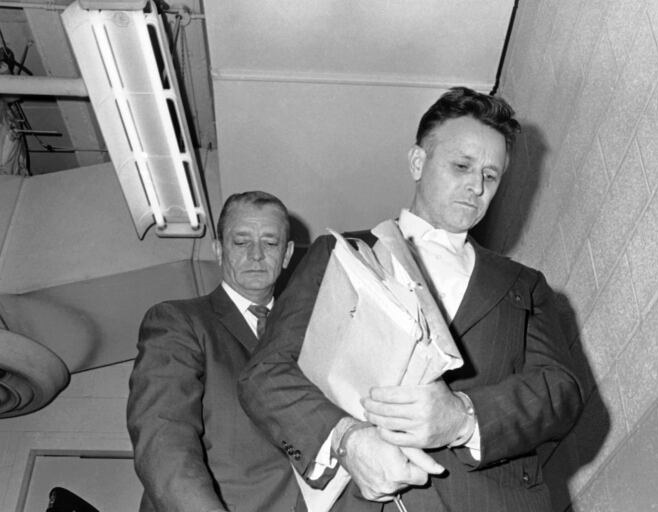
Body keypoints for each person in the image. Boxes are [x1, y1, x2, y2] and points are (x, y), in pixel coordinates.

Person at [238, 87, 584, 511]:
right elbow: (266, 376)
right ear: (418, 162)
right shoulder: (340, 254)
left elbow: (560, 391)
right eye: (462, 165)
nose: (476, 186)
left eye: (491, 176)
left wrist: (463, 418)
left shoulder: (524, 284)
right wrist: (348, 440)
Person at [127, 191, 299, 512]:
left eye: (271, 243)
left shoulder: (308, 338)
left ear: (287, 254)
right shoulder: (179, 321)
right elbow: (165, 438)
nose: (257, 255)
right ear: (219, 250)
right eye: (241, 241)